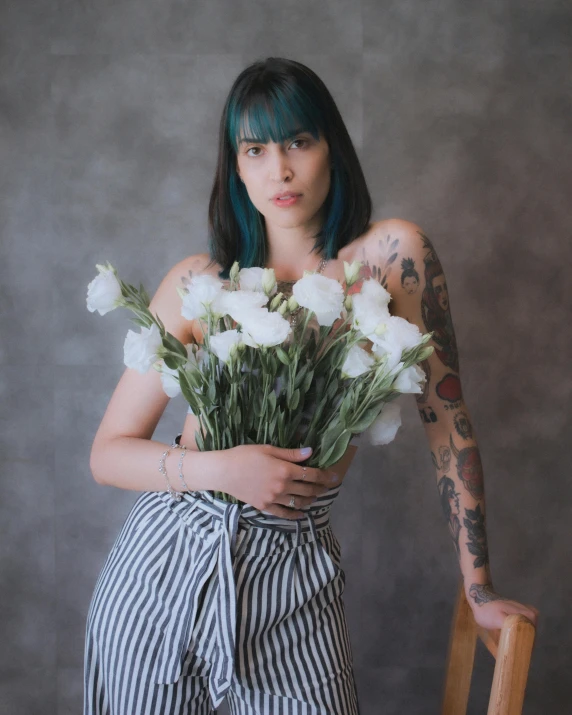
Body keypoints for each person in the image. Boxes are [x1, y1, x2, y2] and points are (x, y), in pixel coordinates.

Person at [83, 57, 539, 715]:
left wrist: (479, 585)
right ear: (236, 168)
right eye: (256, 149)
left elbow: (448, 424)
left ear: (332, 147)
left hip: (294, 577)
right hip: (162, 573)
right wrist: (222, 468)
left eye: (299, 141)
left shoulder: (388, 260)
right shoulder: (200, 286)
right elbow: (108, 453)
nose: (281, 169)